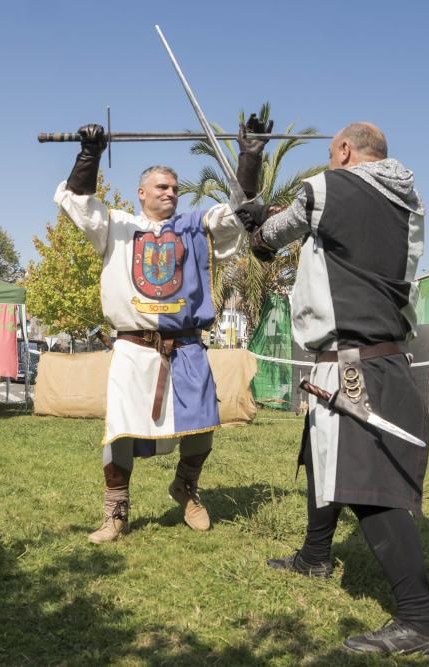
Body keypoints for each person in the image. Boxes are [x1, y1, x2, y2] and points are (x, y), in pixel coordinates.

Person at [238, 122, 429, 656]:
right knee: (321, 452)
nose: (329, 162)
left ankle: (419, 621)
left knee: (367, 489)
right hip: (377, 358)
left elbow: (264, 243)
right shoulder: (407, 202)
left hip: (356, 366)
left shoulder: (328, 189)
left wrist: (248, 170)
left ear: (346, 151)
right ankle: (315, 555)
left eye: (332, 153)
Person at [54, 115, 270, 544]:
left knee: (203, 424)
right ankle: (115, 512)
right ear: (142, 193)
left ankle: (186, 487)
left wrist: (250, 157)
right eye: (161, 187)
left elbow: (238, 212)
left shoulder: (195, 228)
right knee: (119, 430)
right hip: (134, 349)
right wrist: (88, 154)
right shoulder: (117, 227)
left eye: (174, 188)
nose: (170, 193)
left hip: (187, 347)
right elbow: (79, 201)